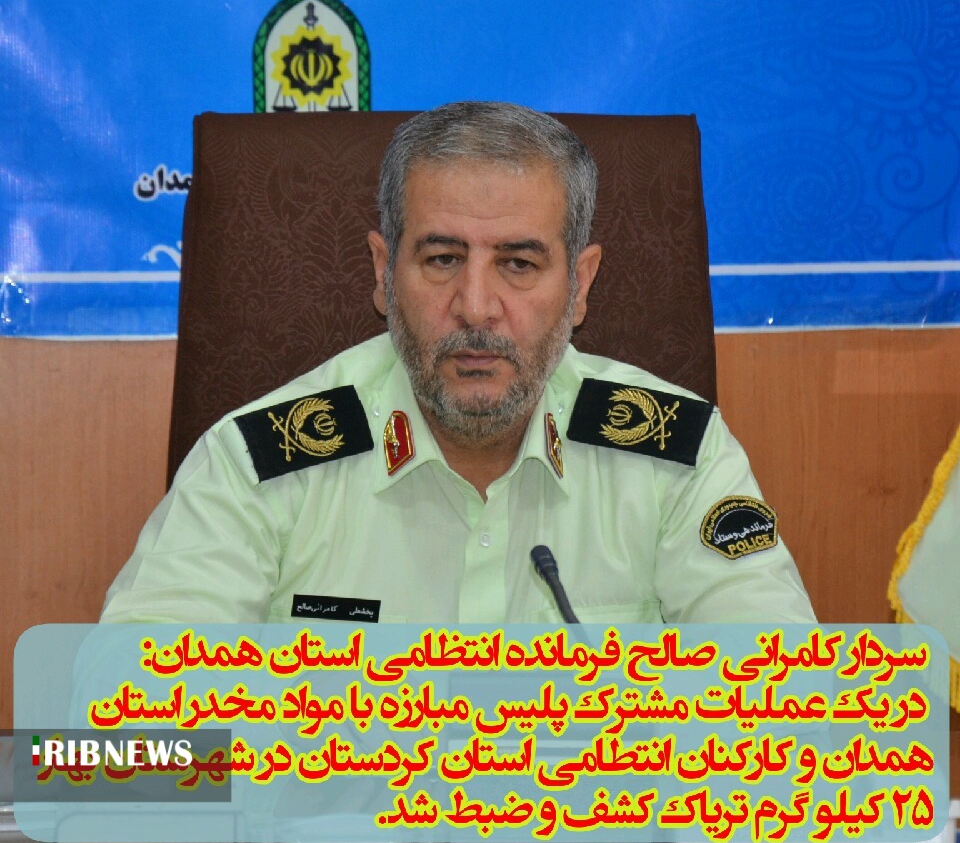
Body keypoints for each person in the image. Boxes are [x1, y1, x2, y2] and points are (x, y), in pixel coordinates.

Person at [101, 102, 814, 625]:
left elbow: (788, 710)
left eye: (519, 264)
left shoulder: (679, 457)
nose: (476, 307)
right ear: (384, 275)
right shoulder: (257, 464)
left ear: (580, 286)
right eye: (442, 259)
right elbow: (132, 733)